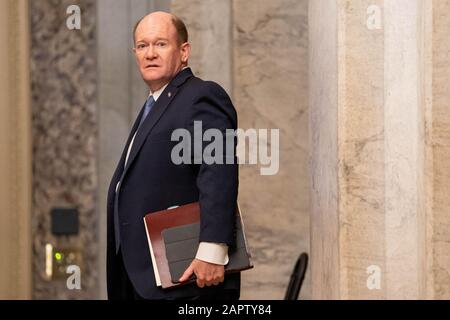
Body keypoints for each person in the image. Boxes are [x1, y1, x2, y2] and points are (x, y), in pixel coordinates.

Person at [106, 11, 240, 300]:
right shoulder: (153, 106)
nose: (150, 54)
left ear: (184, 52)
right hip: (143, 277)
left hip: (189, 278)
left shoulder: (201, 96)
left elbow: (218, 170)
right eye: (142, 46)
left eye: (161, 44)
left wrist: (213, 250)